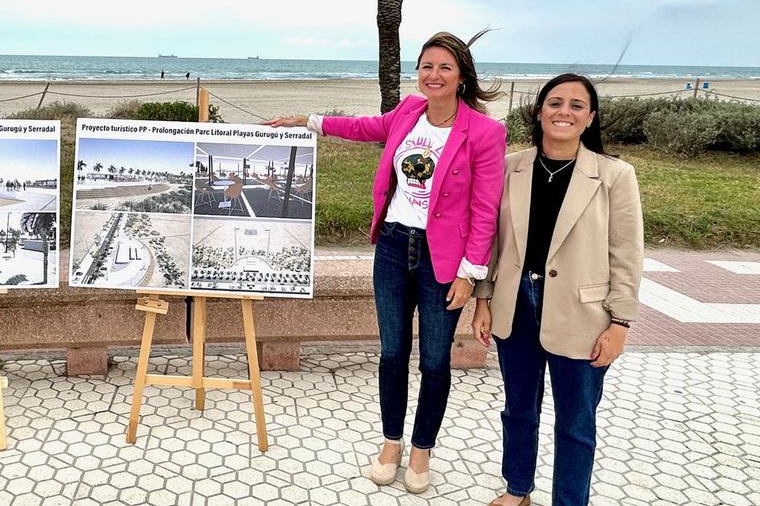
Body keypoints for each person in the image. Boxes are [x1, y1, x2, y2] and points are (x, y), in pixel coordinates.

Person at [265, 31, 506, 494]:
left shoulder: (484, 132)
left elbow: (485, 210)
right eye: (426, 66)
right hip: (394, 247)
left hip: (444, 260)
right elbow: (364, 127)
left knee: (435, 362)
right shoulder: (410, 112)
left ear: (461, 77)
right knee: (393, 354)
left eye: (444, 68)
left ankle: (421, 452)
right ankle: (391, 443)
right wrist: (307, 121)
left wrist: (470, 275)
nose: (433, 76)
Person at [472, 74, 643, 506]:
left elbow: (626, 252)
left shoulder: (614, 175)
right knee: (518, 411)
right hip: (517, 306)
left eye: (576, 105)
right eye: (554, 103)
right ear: (539, 110)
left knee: (576, 422)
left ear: (590, 118)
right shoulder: (511, 166)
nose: (563, 112)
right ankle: (517, 490)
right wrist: (484, 299)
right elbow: (492, 239)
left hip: (582, 316)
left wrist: (620, 323)